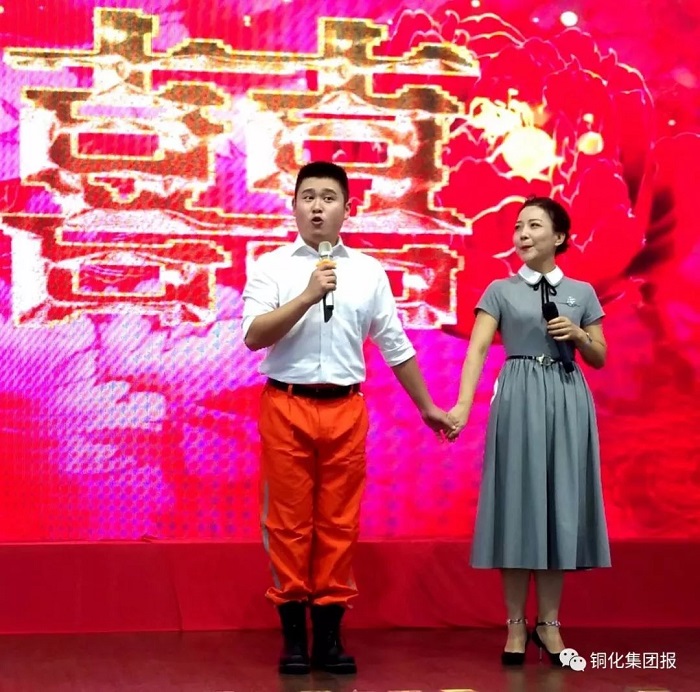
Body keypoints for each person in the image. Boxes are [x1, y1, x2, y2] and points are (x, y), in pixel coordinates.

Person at [241, 161, 456, 675]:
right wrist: (308, 295)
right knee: (289, 524)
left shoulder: (368, 272)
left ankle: (329, 638)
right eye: (308, 197)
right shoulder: (271, 266)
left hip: (345, 408)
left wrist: (427, 406)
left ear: (347, 208)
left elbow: (395, 345)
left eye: (328, 197)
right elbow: (254, 335)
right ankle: (294, 639)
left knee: (338, 523)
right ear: (294, 205)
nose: (317, 207)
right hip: (286, 403)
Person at [447, 196, 611, 666]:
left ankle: (550, 624)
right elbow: (478, 350)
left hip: (566, 397)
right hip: (518, 397)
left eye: (534, 225)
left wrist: (579, 336)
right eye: (519, 226)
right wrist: (462, 405)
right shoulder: (500, 290)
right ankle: (516, 624)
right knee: (519, 508)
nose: (522, 234)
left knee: (559, 508)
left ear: (558, 237)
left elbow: (599, 356)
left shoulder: (582, 292)